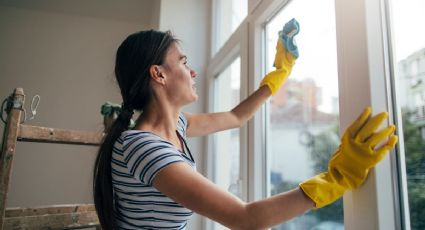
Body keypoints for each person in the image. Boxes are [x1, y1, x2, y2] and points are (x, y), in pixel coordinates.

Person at [93, 27, 398, 230]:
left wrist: (279, 74)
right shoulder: (144, 147)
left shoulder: (177, 127)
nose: (193, 70)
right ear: (158, 74)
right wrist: (336, 178)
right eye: (184, 63)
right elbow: (244, 218)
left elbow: (236, 117)